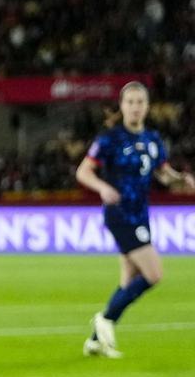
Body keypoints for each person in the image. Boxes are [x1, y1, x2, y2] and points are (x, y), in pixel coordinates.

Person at [75, 81, 194, 358]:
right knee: (154, 274)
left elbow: (162, 174)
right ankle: (104, 320)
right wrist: (103, 187)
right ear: (122, 106)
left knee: (129, 280)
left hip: (141, 214)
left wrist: (180, 180)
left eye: (140, 102)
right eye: (130, 102)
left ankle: (95, 341)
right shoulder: (110, 138)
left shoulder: (153, 139)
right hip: (120, 215)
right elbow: (83, 172)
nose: (135, 107)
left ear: (147, 107)